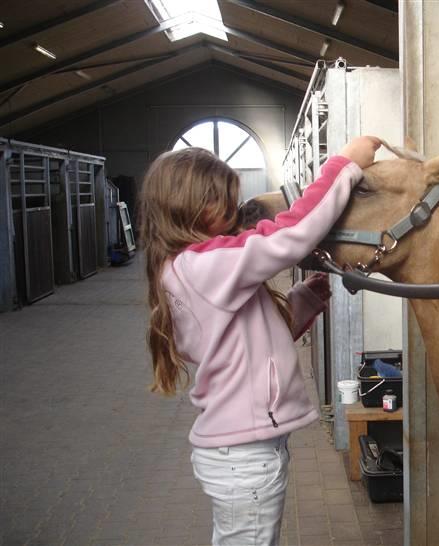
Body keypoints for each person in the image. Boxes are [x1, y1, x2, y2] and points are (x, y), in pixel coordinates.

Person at [138, 136, 381, 545]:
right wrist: (343, 165)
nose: (235, 210)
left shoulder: (190, 268)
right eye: (222, 200)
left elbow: (250, 342)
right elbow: (288, 236)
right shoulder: (202, 265)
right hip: (245, 457)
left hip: (243, 453)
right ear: (190, 205)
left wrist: (302, 301)